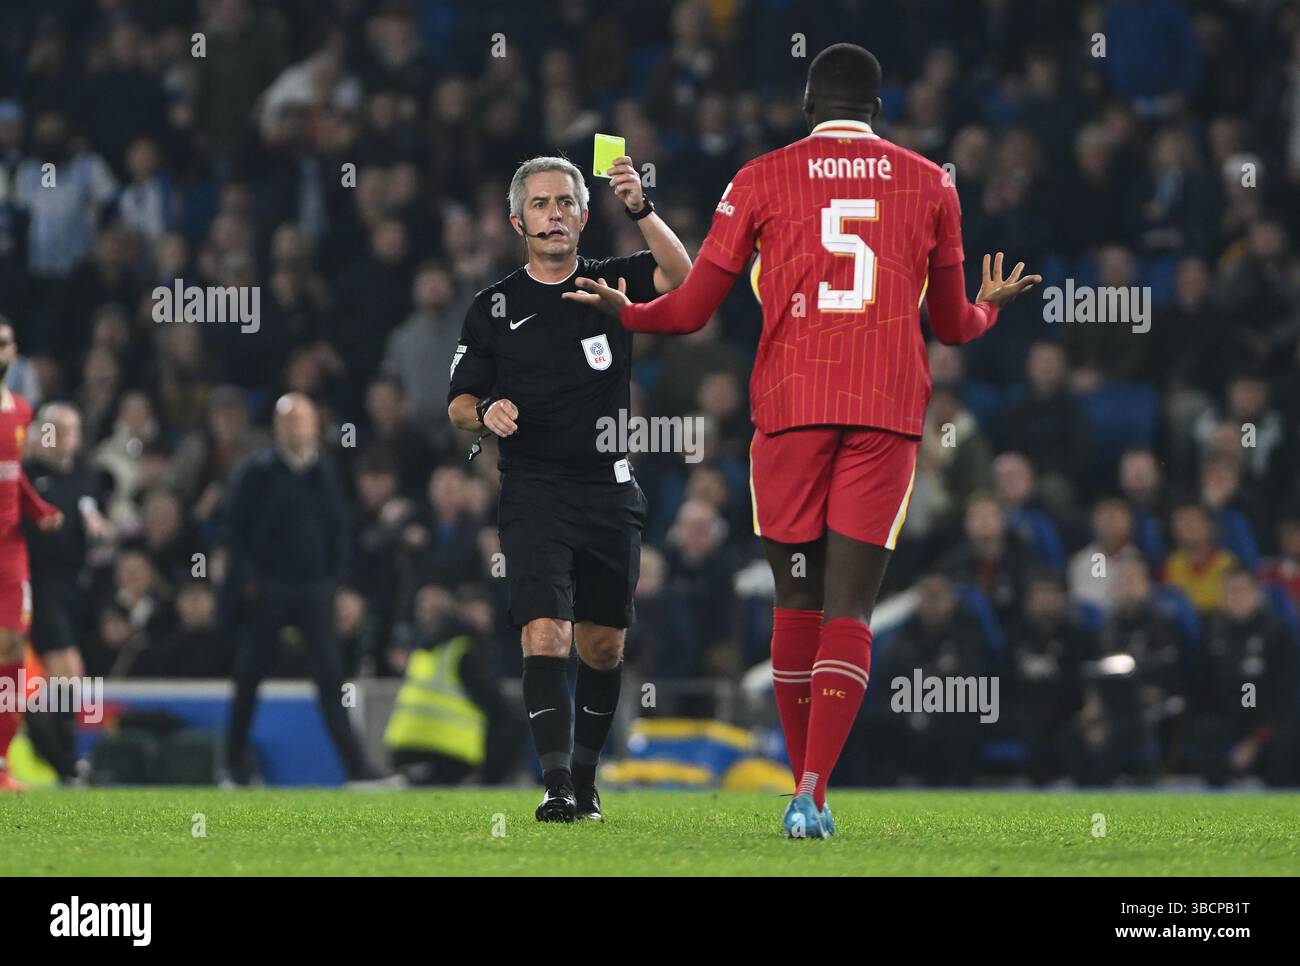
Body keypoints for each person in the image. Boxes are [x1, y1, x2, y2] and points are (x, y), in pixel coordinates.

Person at [567, 43, 1040, 837]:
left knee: (797, 598)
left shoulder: (759, 178)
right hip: (885, 413)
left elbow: (688, 313)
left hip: (790, 411)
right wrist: (992, 307)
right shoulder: (932, 183)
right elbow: (955, 327)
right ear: (878, 112)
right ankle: (812, 792)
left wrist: (627, 312)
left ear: (807, 105)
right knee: (850, 606)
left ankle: (803, 790)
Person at [447, 154, 691, 821]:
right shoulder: (493, 306)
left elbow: (684, 278)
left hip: (611, 492)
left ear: (585, 215)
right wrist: (486, 411)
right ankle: (555, 785)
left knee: (603, 644)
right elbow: (459, 403)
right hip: (533, 490)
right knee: (545, 632)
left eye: (565, 203)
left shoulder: (612, 280)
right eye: (540, 204)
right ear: (515, 220)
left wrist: (640, 207)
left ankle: (585, 782)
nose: (553, 214)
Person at [222, 392, 379, 784]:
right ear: (277, 427)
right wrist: (250, 581)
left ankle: (358, 769)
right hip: (270, 588)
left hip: (315, 589)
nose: (296, 428)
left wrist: (339, 585)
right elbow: (235, 533)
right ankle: (233, 766)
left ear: (313, 425)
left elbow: (339, 532)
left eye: (303, 420)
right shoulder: (256, 473)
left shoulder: (326, 472)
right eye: (289, 421)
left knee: (330, 679)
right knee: (249, 677)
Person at [22, 402, 110, 781]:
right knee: (67, 672)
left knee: (71, 676)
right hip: (38, 583)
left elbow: (100, 525)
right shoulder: (25, 477)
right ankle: (63, 758)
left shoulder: (87, 478)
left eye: (69, 431)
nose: (60, 438)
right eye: (53, 430)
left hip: (75, 587)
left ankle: (52, 744)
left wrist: (100, 528)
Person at [0, 321, 63, 792]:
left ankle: (1, 764)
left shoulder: (21, 410)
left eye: (4, 342)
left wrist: (39, 510)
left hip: (9, 549)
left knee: (13, 650)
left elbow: (14, 476)